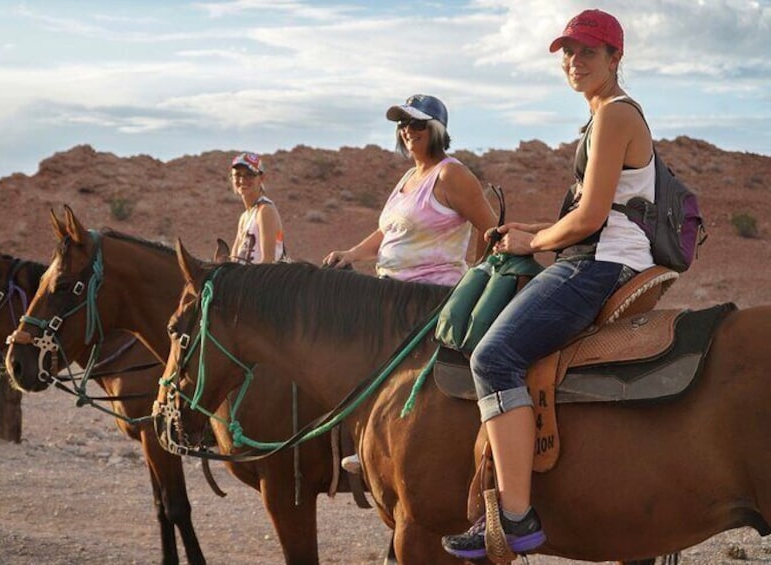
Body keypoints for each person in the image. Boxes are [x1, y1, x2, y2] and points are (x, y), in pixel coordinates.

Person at [441, 9, 654, 560]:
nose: (574, 61)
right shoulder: (600, 118)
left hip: (601, 265)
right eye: (568, 52)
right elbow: (590, 211)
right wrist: (530, 229)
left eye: (588, 51)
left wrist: (530, 244)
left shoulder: (615, 116)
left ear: (615, 58)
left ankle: (515, 517)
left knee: (493, 358)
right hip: (594, 252)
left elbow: (588, 223)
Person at [324, 94, 498, 473]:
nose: (407, 131)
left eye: (416, 124)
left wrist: (477, 277)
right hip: (391, 292)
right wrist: (352, 253)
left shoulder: (451, 175)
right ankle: (374, 442)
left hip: (430, 296)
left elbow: (492, 230)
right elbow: (388, 233)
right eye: (402, 125)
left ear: (437, 130)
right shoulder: (409, 177)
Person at [228, 152, 287, 264]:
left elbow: (268, 261)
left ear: (261, 178)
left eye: (249, 175)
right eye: (237, 175)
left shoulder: (265, 210)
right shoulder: (244, 217)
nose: (242, 180)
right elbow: (234, 259)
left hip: (262, 280)